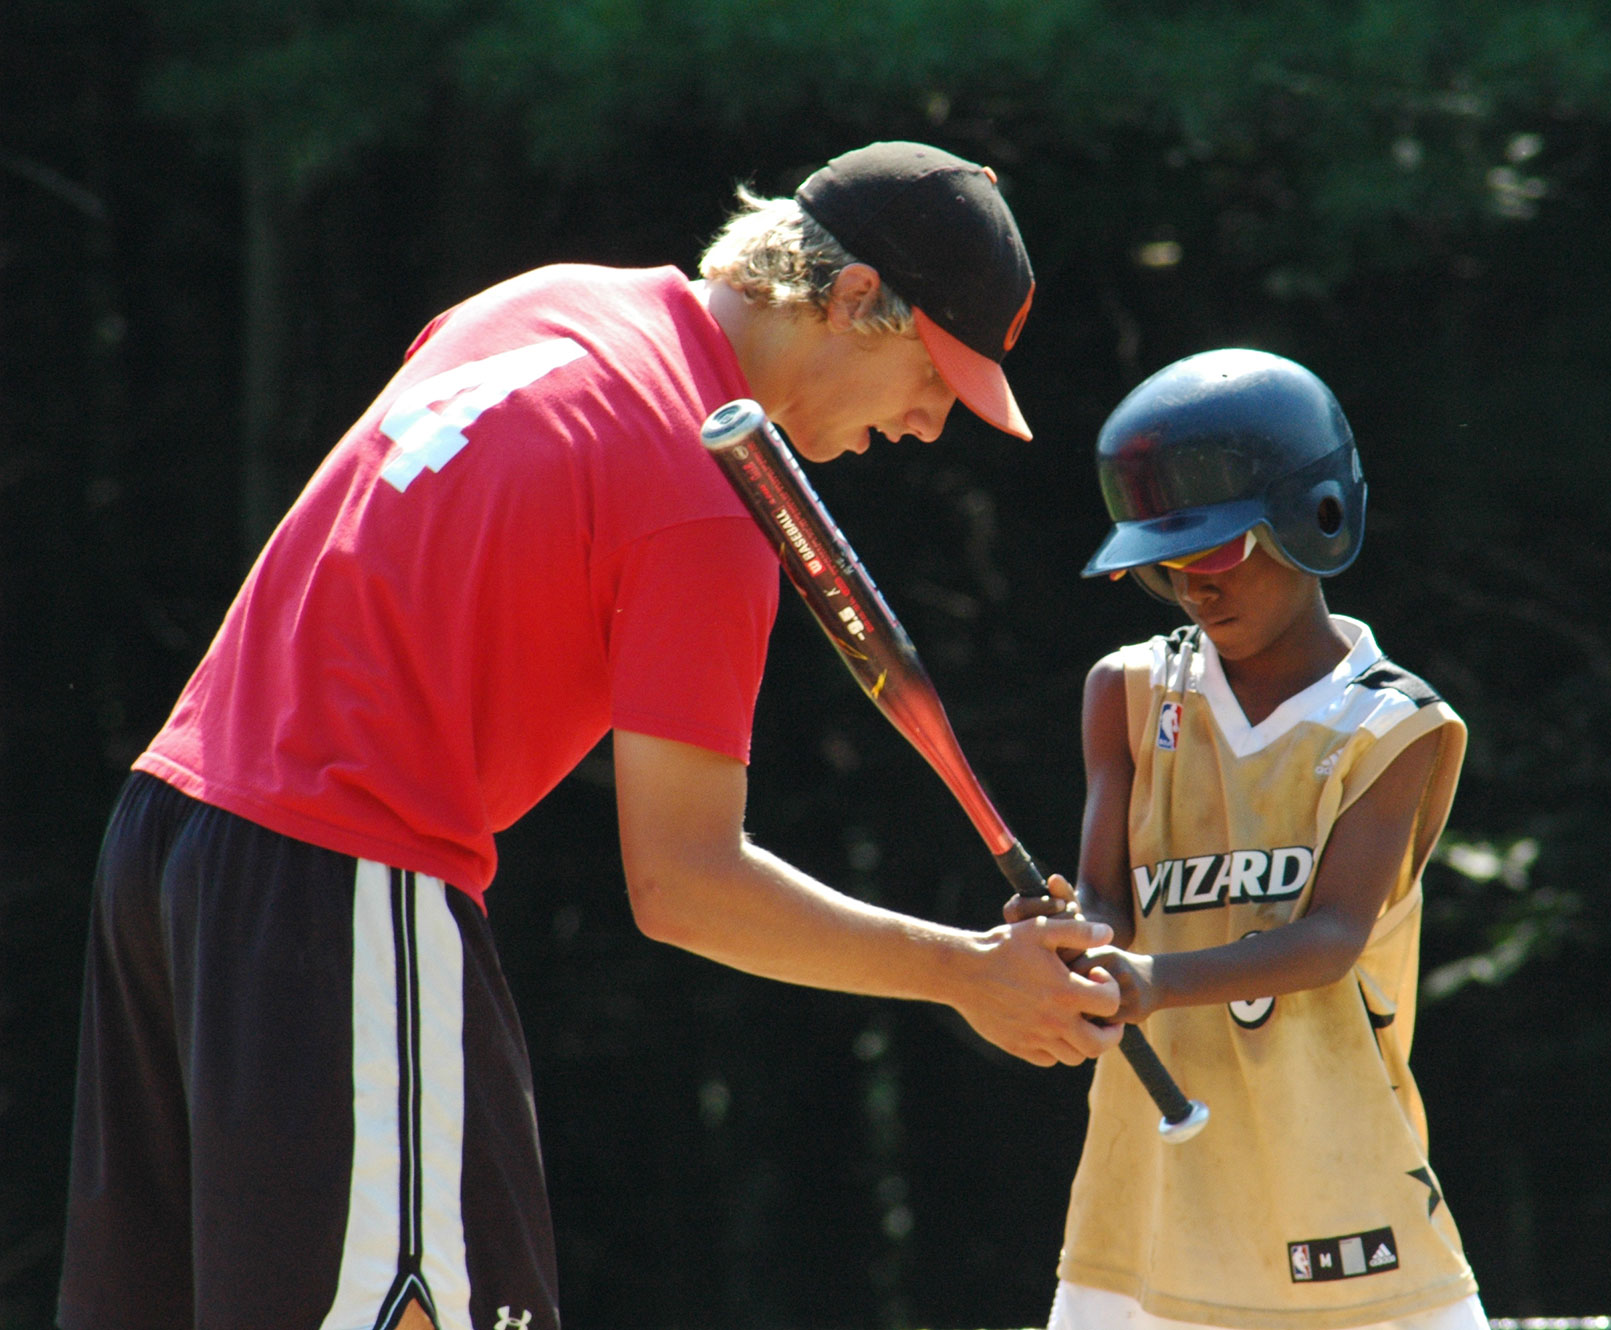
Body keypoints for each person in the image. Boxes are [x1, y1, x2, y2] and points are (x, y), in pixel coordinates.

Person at [60, 141, 1122, 1330]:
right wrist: (965, 976)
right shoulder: (704, 495)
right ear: (854, 296)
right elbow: (685, 882)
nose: (930, 424)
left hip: (166, 845)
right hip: (338, 883)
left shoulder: (544, 299)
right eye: (935, 374)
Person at [1010, 349, 1487, 1330]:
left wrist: (1148, 981)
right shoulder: (1126, 693)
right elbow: (1107, 901)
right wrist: (1068, 940)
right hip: (1145, 1184)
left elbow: (1329, 940)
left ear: (1313, 516)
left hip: (1340, 1176)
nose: (1192, 587)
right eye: (1163, 562)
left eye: (1218, 552)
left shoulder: (1390, 725)